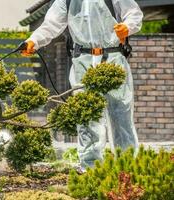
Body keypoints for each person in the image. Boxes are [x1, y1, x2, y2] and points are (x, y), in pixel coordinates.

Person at [21, 0, 143, 170]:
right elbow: (51, 24)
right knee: (87, 117)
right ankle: (90, 168)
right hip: (83, 61)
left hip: (113, 58)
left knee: (121, 114)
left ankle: (128, 168)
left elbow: (134, 13)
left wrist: (127, 26)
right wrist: (33, 40)